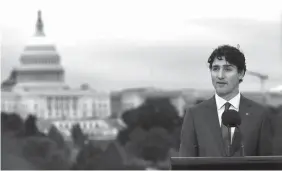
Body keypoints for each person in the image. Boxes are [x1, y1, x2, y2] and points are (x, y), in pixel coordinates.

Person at [179, 45, 273, 157]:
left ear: (241, 73)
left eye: (227, 69)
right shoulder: (194, 115)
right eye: (215, 69)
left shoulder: (260, 114)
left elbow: (267, 164)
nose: (220, 76)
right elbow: (184, 164)